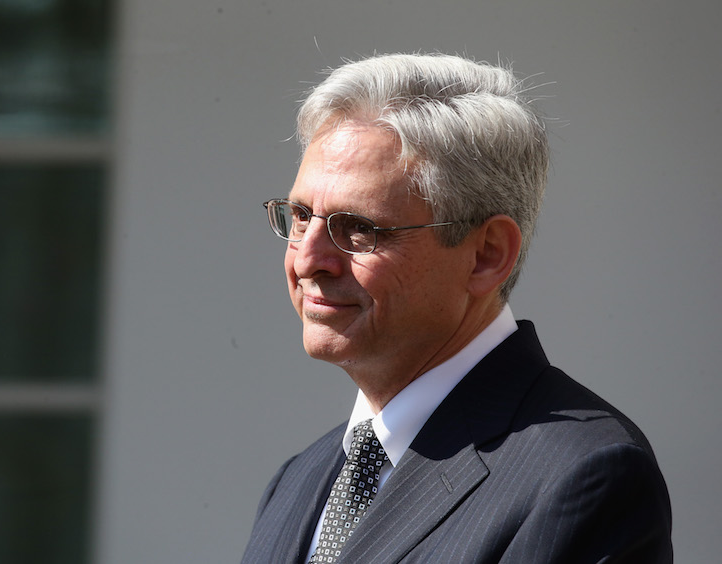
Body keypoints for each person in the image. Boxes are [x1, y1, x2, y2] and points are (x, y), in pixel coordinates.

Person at [241, 53, 672, 563]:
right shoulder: (300, 480)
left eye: (357, 228)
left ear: (487, 254)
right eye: (300, 216)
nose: (309, 260)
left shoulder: (583, 475)